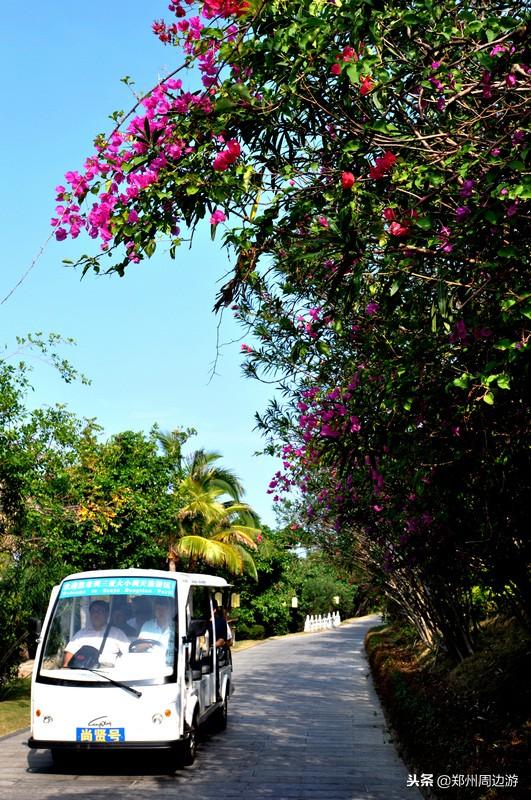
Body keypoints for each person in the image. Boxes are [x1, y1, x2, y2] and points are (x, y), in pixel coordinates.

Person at [62, 600, 130, 667]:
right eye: (93, 612)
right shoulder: (81, 634)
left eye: (99, 611)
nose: (96, 614)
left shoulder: (117, 633)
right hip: (82, 671)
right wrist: (65, 667)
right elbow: (70, 652)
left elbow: (129, 652)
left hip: (107, 673)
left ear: (107, 614)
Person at [136, 596, 175, 663]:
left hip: (169, 664)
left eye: (163, 609)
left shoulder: (175, 627)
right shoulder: (147, 625)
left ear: (169, 610)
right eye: (158, 609)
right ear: (154, 611)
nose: (160, 612)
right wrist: (143, 645)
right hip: (148, 663)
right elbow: (137, 647)